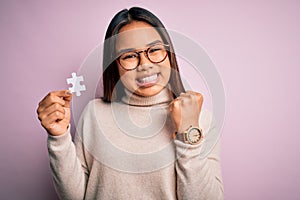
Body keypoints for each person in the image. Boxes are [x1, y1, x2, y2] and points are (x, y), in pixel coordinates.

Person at [37, 7, 224, 200]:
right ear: (114, 65)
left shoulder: (201, 119)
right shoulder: (94, 113)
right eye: (129, 56)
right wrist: (58, 138)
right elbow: (74, 197)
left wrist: (188, 132)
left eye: (155, 50)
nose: (144, 64)